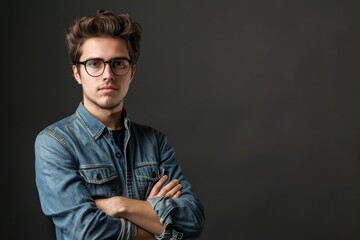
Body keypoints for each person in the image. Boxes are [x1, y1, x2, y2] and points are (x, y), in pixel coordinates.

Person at [34, 9, 205, 240]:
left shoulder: (155, 141)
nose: (108, 75)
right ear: (77, 73)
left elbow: (193, 221)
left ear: (132, 71)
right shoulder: (55, 143)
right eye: (94, 64)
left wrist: (120, 205)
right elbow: (85, 232)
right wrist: (155, 224)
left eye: (118, 63)